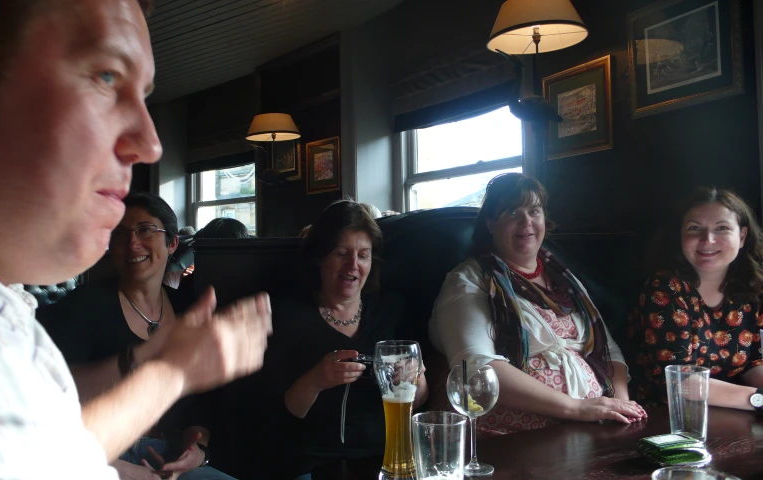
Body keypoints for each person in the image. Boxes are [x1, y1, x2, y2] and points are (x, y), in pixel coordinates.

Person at [0, 1, 271, 478]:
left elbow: (48, 450)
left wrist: (175, 374)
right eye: (106, 76)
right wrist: (171, 372)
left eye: (143, 95)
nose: (150, 143)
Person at [428, 173, 644, 436]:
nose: (526, 222)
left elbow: (608, 348)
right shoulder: (469, 279)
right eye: (512, 212)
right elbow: (476, 368)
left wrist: (620, 403)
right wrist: (576, 408)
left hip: (588, 425)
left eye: (534, 210)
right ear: (489, 222)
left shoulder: (564, 279)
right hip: (507, 438)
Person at [38, 192, 233, 480]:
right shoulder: (83, 306)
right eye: (120, 233)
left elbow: (200, 402)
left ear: (172, 243)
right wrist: (119, 469)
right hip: (96, 455)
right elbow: (46, 403)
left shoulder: (186, 309)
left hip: (168, 453)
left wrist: (197, 448)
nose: (132, 243)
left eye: (145, 230)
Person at [264, 200, 428, 478]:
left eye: (363, 255)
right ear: (319, 257)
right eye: (341, 253)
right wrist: (316, 380)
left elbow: (418, 401)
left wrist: (415, 378)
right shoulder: (287, 315)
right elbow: (279, 413)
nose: (353, 265)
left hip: (387, 461)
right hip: (311, 465)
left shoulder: (391, 310)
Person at [627, 187, 763, 410]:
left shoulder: (753, 286)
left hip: (731, 410)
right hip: (666, 416)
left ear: (742, 236)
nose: (707, 239)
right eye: (694, 229)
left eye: (721, 228)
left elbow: (755, 364)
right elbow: (680, 382)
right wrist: (758, 399)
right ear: (680, 236)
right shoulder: (664, 289)